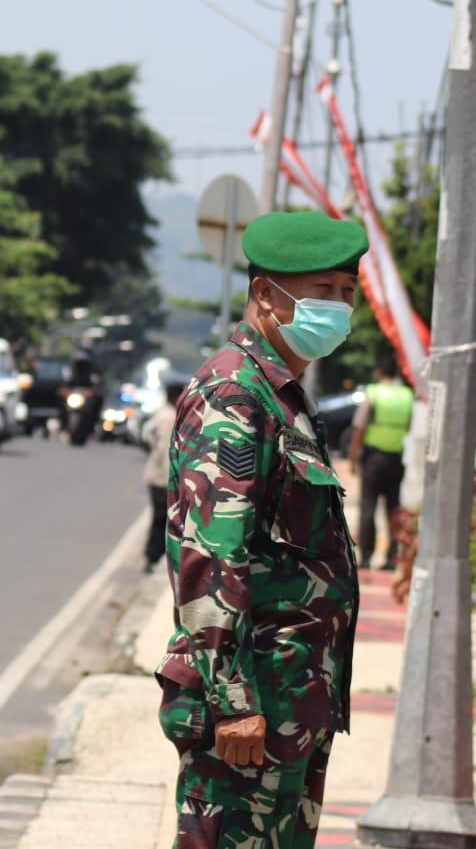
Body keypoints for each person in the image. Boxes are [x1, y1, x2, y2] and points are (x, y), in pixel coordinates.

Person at [156, 211, 365, 848]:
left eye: (346, 294)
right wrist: (233, 699)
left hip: (291, 699)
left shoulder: (281, 395)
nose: (337, 306)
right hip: (252, 707)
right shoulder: (235, 395)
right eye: (321, 290)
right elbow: (212, 558)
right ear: (265, 295)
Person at [349, 353, 414, 570]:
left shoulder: (374, 393)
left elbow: (360, 428)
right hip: (396, 458)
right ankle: (391, 556)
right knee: (393, 507)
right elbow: (410, 425)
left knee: (369, 506)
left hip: (373, 459)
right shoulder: (407, 395)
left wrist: (352, 456)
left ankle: (366, 556)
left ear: (380, 371)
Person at [141, 378, 187, 573]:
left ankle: (154, 556)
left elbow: (147, 436)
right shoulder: (169, 417)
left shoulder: (162, 414)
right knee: (162, 519)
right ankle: (153, 557)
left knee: (160, 518)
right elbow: (166, 450)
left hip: (156, 475)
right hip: (163, 478)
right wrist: (175, 479)